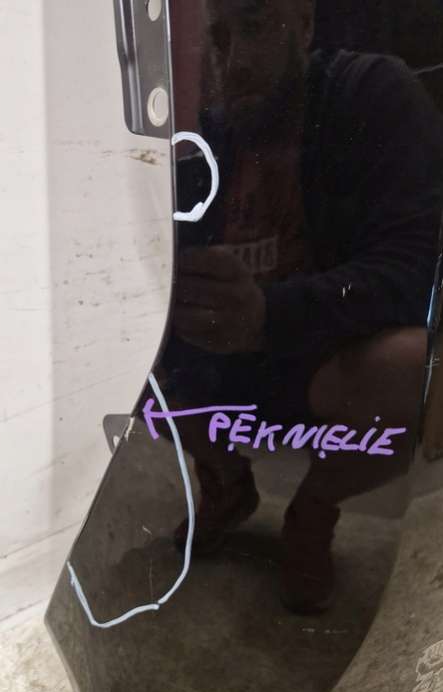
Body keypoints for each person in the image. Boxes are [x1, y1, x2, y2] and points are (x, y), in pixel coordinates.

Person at [156, 0, 443, 614]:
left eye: (255, 26)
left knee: (419, 370)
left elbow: (414, 272)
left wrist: (268, 314)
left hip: (328, 361)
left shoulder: (372, 94)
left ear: (306, 24)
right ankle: (227, 483)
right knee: (114, 346)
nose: (232, 62)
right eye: (218, 40)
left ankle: (313, 508)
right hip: (229, 364)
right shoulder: (211, 134)